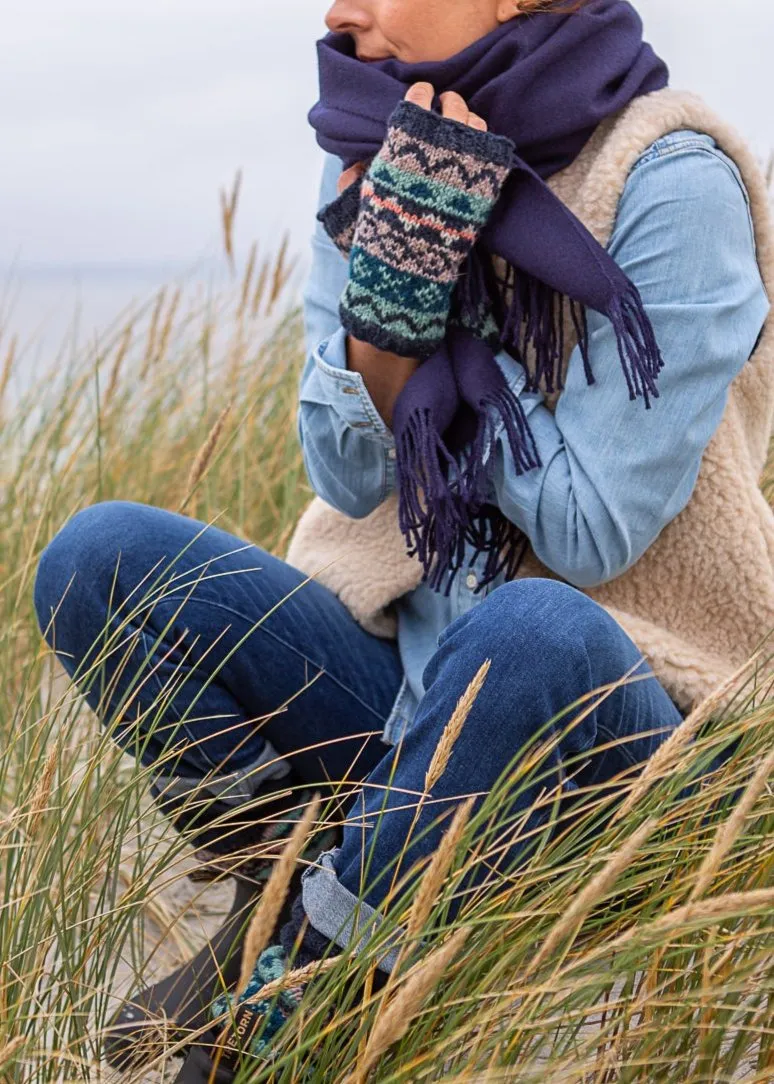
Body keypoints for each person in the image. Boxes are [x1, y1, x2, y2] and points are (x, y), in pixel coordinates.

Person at [33, 0, 773, 1078]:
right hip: (410, 700)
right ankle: (277, 883)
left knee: (531, 627)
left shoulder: (670, 181)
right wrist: (382, 320)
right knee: (95, 561)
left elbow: (594, 528)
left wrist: (419, 335)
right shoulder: (373, 156)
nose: (341, 12)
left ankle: (294, 996)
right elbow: (344, 470)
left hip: (614, 738)